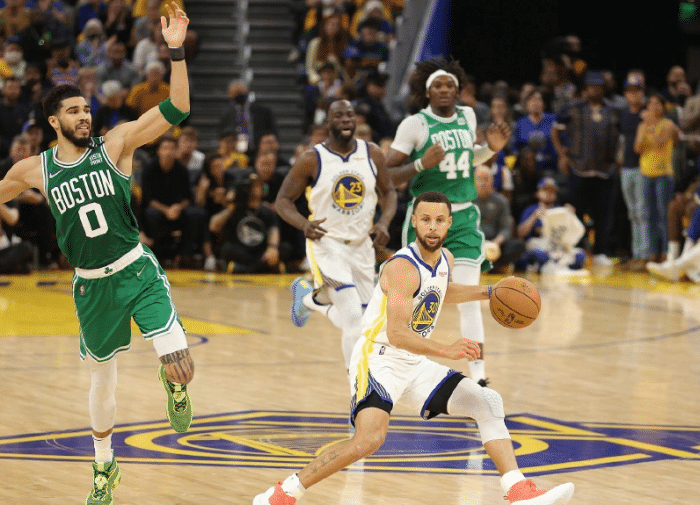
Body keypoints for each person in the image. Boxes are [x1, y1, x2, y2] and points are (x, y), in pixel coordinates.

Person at [254, 190, 575, 505]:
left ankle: (518, 492)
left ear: (449, 223)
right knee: (368, 440)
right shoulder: (401, 268)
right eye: (425, 220)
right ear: (415, 222)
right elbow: (396, 334)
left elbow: (442, 289)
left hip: (413, 362)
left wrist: (489, 292)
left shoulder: (445, 259)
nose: (432, 227)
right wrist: (447, 350)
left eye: (439, 220)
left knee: (487, 402)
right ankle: (282, 494)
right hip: (378, 360)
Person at [0, 5, 194, 504]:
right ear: (53, 121)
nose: (84, 116)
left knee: (180, 365)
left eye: (86, 109)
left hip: (135, 269)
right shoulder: (35, 170)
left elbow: (177, 108)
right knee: (101, 382)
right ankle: (105, 467)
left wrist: (175, 51)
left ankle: (172, 384)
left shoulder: (116, 144)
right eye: (73, 111)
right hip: (90, 284)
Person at [385, 57, 511, 386]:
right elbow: (386, 174)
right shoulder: (414, 125)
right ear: (427, 92)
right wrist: (420, 165)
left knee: (469, 299)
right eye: (438, 85)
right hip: (427, 217)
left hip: (464, 216)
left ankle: (479, 376)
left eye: (450, 85)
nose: (444, 90)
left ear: (458, 91)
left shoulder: (468, 116)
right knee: (417, 297)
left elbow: (468, 159)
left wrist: (490, 149)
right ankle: (402, 364)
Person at [276, 98, 397, 368]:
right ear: (328, 122)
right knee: (352, 316)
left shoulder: (372, 153)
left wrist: (384, 223)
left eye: (349, 115)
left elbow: (389, 192)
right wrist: (303, 224)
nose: (345, 120)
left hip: (362, 245)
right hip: (327, 243)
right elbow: (282, 200)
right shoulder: (311, 159)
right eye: (339, 115)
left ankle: (311, 300)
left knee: (365, 321)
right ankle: (357, 385)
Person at [634, 93, 679, 262]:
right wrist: (646, 127)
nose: (653, 107)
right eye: (650, 104)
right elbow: (637, 148)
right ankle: (653, 251)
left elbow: (659, 143)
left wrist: (651, 126)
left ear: (663, 107)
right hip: (646, 173)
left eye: (657, 103)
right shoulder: (642, 126)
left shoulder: (668, 125)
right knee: (649, 214)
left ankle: (667, 251)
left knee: (663, 214)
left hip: (664, 174)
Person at [473, 165, 525, 274]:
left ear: (492, 181)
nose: (483, 183)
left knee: (519, 245)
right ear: (474, 181)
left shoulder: (501, 201)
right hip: (473, 244)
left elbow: (506, 228)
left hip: (495, 244)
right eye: (480, 179)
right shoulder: (466, 201)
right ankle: (493, 267)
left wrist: (496, 242)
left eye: (486, 179)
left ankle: (485, 266)